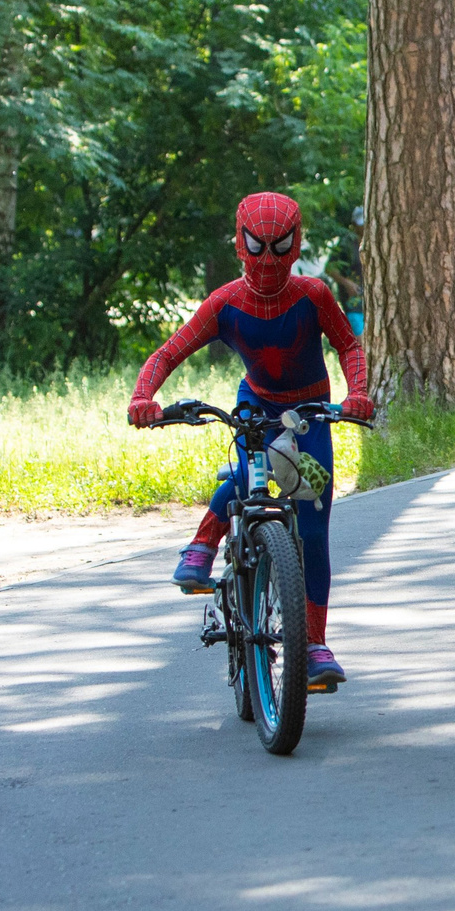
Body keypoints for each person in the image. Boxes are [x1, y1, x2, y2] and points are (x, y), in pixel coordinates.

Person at [129, 193, 376, 692]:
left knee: (312, 525)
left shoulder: (312, 296)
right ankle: (201, 545)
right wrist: (143, 396)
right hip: (256, 406)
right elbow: (167, 352)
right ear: (239, 242)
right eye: (256, 246)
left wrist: (358, 393)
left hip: (308, 415)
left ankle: (313, 645)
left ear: (296, 242)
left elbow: (349, 345)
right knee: (248, 476)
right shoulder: (225, 303)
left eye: (279, 246)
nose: (267, 259)